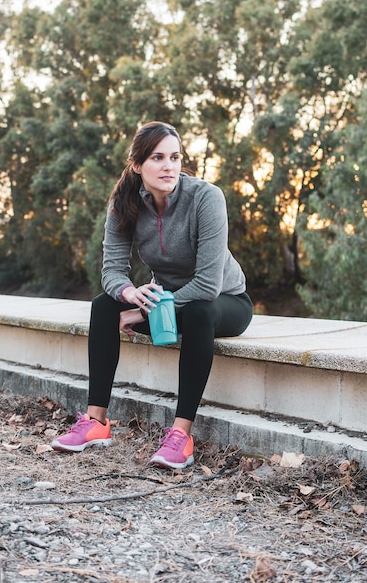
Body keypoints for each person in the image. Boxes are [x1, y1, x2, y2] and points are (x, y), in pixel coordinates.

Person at [51, 121, 253, 469]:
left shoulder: (206, 198)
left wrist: (144, 313)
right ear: (137, 165)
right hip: (167, 305)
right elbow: (112, 271)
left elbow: (207, 285)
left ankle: (180, 435)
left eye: (174, 157)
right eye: (158, 157)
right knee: (103, 306)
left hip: (225, 302)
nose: (169, 166)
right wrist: (129, 294)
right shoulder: (124, 203)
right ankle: (96, 421)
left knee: (199, 313)